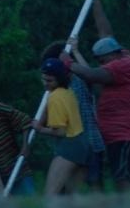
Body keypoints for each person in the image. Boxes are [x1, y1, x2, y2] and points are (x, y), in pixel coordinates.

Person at [63, 0, 130, 191]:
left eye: (103, 60)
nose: (102, 64)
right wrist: (96, 3)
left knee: (125, 179)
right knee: (120, 178)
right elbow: (105, 33)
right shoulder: (117, 57)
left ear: (113, 54)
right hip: (119, 134)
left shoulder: (124, 65)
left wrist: (67, 62)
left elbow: (90, 75)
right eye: (98, 60)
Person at [41, 39, 106, 192]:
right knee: (68, 192)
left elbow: (91, 76)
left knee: (95, 188)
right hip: (71, 145)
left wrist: (75, 52)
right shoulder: (56, 89)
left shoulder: (78, 81)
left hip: (89, 142)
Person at [33, 58, 90, 195]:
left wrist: (39, 128)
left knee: (50, 194)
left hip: (69, 146)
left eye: (49, 81)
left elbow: (60, 132)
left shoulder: (55, 98)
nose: (45, 84)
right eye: (44, 79)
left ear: (59, 79)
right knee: (69, 197)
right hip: (83, 146)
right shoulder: (68, 92)